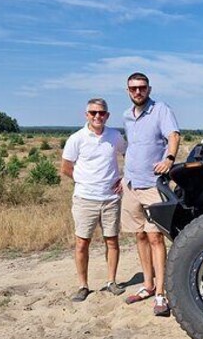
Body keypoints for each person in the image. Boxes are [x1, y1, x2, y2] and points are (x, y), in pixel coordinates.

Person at [121, 72, 180, 316]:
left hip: (152, 185)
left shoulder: (160, 109)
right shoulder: (126, 116)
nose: (138, 92)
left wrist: (169, 158)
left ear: (149, 88)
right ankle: (147, 285)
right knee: (140, 236)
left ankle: (161, 294)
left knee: (156, 237)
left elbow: (173, 135)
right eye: (133, 88)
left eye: (142, 87)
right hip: (131, 184)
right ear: (127, 91)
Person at [60, 98, 127, 302]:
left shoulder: (115, 136)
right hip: (85, 199)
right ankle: (83, 286)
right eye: (93, 112)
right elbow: (65, 167)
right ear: (86, 114)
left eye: (102, 113)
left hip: (111, 199)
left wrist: (124, 179)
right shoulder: (77, 138)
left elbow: (128, 156)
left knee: (112, 241)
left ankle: (111, 282)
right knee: (82, 243)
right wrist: (84, 182)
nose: (97, 116)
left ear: (107, 115)